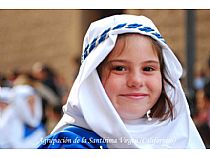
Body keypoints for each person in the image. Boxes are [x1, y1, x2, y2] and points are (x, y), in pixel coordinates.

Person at [37, 14, 205, 149]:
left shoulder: (180, 135)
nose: (136, 81)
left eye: (148, 69)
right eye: (120, 68)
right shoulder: (72, 145)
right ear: (93, 78)